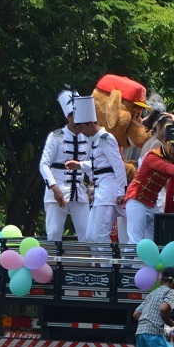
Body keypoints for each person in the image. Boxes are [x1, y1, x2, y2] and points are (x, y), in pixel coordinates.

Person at [63, 95, 127, 245]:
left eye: (82, 128)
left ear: (91, 123)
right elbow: (99, 166)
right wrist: (79, 165)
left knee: (100, 236)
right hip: (99, 193)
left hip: (108, 192)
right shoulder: (94, 141)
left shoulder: (106, 138)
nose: (81, 132)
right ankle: (106, 266)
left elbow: (118, 166)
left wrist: (121, 191)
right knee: (91, 236)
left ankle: (108, 267)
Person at [124, 122, 174, 243]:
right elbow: (165, 167)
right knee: (136, 240)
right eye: (173, 146)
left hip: (152, 204)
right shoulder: (152, 156)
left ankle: (147, 263)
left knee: (154, 241)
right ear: (165, 143)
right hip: (136, 199)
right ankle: (126, 263)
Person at [39, 89, 90, 241]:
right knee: (54, 234)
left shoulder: (87, 138)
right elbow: (44, 164)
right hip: (57, 193)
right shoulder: (56, 136)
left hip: (79, 193)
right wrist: (54, 188)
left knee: (88, 235)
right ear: (68, 116)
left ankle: (91, 265)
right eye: (75, 115)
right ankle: (52, 265)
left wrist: (93, 185)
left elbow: (91, 164)